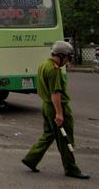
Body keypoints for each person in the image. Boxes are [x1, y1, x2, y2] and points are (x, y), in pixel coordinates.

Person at [22, 41, 90, 179]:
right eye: (67, 57)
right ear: (60, 55)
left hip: (46, 106)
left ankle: (31, 158)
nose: (67, 61)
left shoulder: (44, 65)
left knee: (48, 135)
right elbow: (56, 93)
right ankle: (71, 169)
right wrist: (59, 114)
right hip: (56, 107)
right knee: (66, 140)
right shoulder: (54, 70)